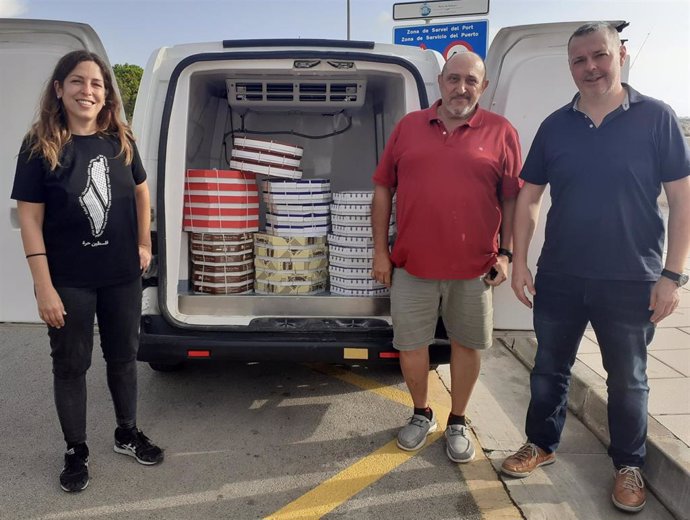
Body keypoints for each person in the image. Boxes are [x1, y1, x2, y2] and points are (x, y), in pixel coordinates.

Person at [501, 22, 690, 513]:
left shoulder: (657, 118)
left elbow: (682, 199)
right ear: (570, 67)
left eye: (599, 56)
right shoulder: (555, 125)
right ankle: (540, 444)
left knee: (628, 378)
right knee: (549, 370)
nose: (591, 68)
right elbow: (529, 198)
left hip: (632, 278)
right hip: (561, 274)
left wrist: (672, 276)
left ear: (621, 54)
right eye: (579, 60)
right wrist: (520, 261)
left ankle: (629, 465)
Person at [11, 50, 164, 493]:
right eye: (77, 81)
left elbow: (140, 192)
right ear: (59, 89)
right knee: (71, 365)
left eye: (96, 84)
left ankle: (126, 433)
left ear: (106, 94)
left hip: (121, 276)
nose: (88, 91)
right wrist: (44, 287)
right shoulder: (39, 147)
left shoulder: (120, 140)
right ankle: (76, 450)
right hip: (69, 280)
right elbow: (30, 220)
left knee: (123, 358)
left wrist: (144, 242)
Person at [371, 51, 522, 463]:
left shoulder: (502, 132)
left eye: (471, 81)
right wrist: (380, 252)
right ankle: (421, 413)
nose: (461, 88)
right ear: (440, 81)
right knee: (410, 345)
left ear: (483, 87)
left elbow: (511, 198)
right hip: (412, 267)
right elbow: (383, 188)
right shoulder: (408, 127)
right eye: (454, 79)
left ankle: (458, 419)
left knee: (468, 345)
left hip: (475, 269)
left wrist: (507, 254)